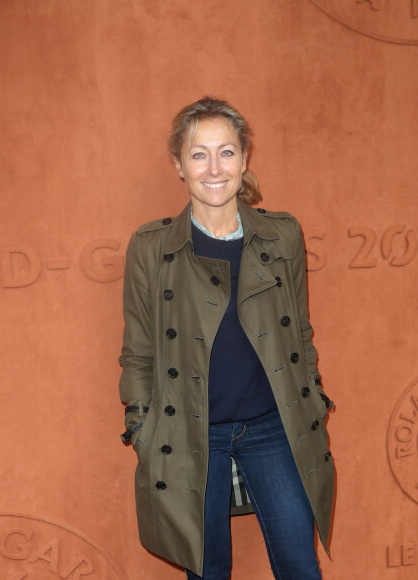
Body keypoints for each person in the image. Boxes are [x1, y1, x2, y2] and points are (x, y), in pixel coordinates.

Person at [118, 96, 334, 579]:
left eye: (227, 152)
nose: (214, 168)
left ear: (244, 158)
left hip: (274, 427)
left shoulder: (282, 236)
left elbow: (299, 329)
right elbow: (139, 351)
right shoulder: (153, 248)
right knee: (208, 569)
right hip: (190, 432)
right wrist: (143, 430)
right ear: (178, 165)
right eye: (199, 154)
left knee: (301, 565)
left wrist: (313, 397)